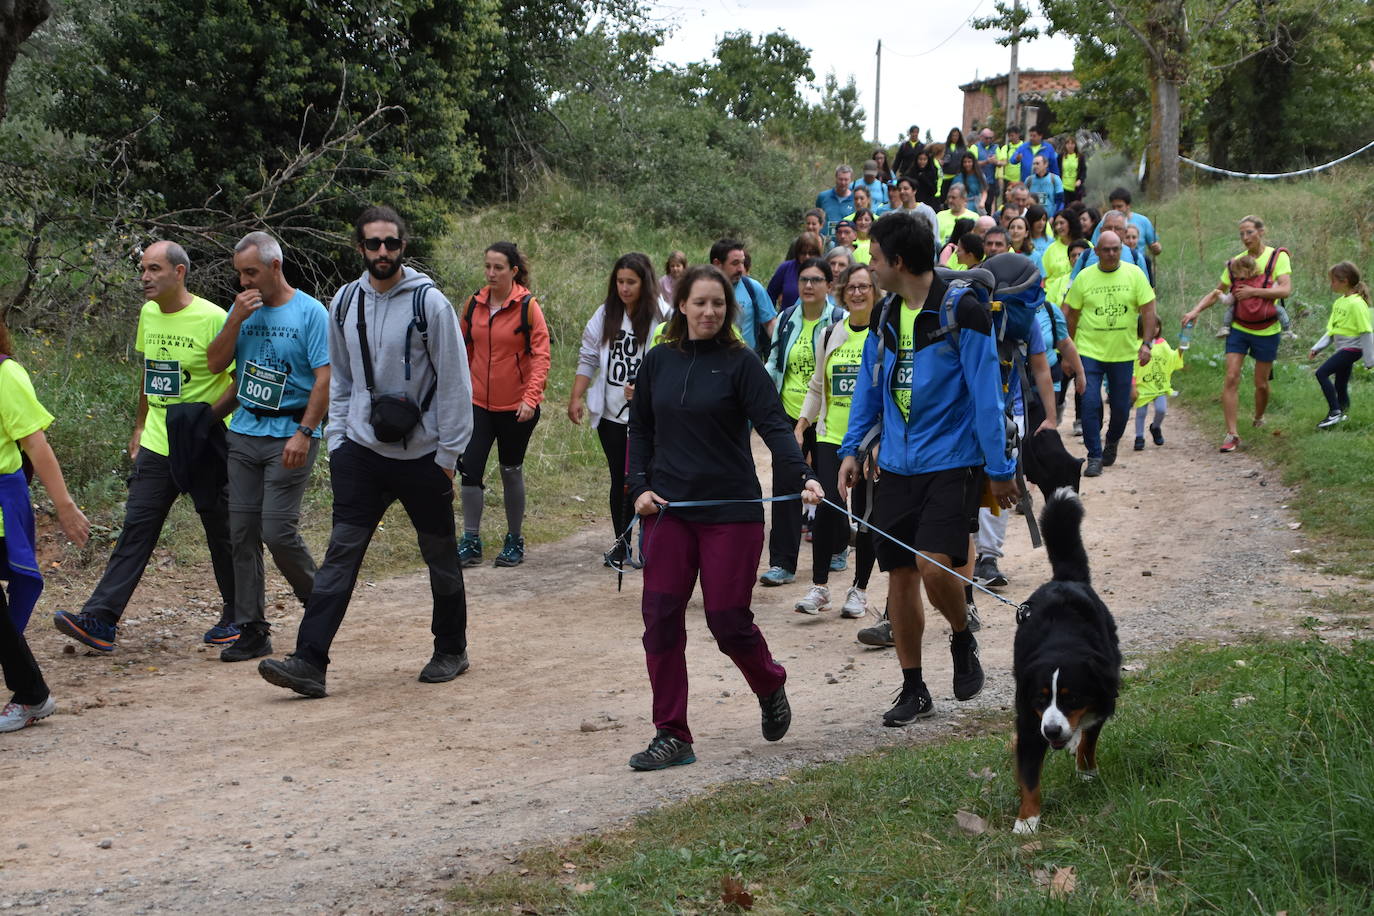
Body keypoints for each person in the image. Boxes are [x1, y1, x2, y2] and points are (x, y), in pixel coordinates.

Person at [257, 205, 473, 698]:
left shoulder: (431, 305)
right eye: (373, 243)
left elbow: (456, 384)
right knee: (341, 555)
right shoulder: (345, 302)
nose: (383, 252)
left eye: (391, 243)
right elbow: (341, 377)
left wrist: (448, 456)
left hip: (423, 457)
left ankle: (451, 648)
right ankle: (309, 661)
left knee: (438, 553)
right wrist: (338, 439)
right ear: (359, 247)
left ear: (403, 246)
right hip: (361, 452)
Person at [625, 264, 824, 770]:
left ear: (728, 310)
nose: (709, 312)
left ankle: (769, 681)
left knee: (726, 619)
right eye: (700, 303)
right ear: (682, 307)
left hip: (731, 513)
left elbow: (776, 427)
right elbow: (640, 432)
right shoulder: (659, 362)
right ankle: (672, 734)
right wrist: (640, 488)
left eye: (718, 304)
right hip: (669, 511)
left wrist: (802, 476)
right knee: (661, 620)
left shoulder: (742, 364)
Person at [838, 211, 1016, 726]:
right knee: (898, 576)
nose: (868, 269)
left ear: (897, 261)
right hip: (895, 465)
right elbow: (871, 389)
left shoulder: (964, 312)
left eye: (873, 259)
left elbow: (986, 395)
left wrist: (1000, 470)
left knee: (934, 566)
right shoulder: (886, 315)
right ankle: (914, 687)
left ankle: (962, 637)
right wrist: (852, 450)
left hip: (952, 463)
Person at [54, 242, 238, 653]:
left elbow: (235, 379)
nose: (145, 277)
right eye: (142, 269)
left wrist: (208, 423)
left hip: (205, 441)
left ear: (179, 273)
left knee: (221, 532)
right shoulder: (148, 313)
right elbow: (150, 371)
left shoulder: (212, 317)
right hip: (158, 440)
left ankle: (238, 616)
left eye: (154, 269)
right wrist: (139, 424)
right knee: (137, 527)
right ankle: (100, 619)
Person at [204, 232, 330, 663]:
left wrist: (306, 432)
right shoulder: (243, 311)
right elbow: (217, 365)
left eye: (251, 272)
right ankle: (252, 629)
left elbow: (325, 378)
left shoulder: (311, 313)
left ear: (275, 267)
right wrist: (234, 320)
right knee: (241, 533)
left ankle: (321, 604)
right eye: (240, 273)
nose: (244, 282)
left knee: (277, 530)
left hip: (290, 435)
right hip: (244, 433)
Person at [0, 319, 91, 733]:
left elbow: (36, 444)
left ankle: (32, 694)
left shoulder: (5, 373)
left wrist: (65, 507)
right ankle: (32, 692)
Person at [570, 253, 672, 567]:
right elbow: (588, 357)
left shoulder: (662, 316)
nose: (624, 288)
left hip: (649, 417)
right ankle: (621, 544)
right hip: (612, 414)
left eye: (631, 282)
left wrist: (646, 390)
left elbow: (673, 361)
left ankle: (650, 544)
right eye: (619, 282)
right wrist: (576, 396)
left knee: (647, 478)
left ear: (645, 283)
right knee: (621, 480)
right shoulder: (605, 315)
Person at [795, 263, 882, 620]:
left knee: (864, 516)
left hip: (868, 440)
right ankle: (820, 588)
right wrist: (802, 425)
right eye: (852, 288)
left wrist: (879, 441)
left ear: (876, 293)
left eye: (865, 287)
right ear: (842, 292)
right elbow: (817, 385)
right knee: (826, 509)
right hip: (831, 435)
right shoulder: (831, 333)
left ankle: (859, 590)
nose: (858, 293)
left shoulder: (882, 335)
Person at [457, 242, 551, 568]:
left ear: (513, 271)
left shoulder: (528, 307)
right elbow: (462, 349)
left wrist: (530, 398)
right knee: (469, 469)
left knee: (510, 471)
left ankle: (514, 539)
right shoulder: (474, 304)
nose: (491, 273)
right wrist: (459, 392)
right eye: (487, 266)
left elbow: (541, 356)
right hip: (477, 404)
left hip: (516, 407)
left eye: (498, 267)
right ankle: (470, 540)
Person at [759, 259, 847, 587]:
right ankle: (782, 563)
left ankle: (837, 545)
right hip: (787, 414)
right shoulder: (785, 320)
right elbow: (774, 363)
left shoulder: (840, 320)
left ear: (828, 285)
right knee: (785, 487)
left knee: (826, 484)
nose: (808, 286)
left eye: (816, 280)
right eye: (804, 280)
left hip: (825, 415)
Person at [1180, 216, 1292, 452]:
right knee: (1231, 376)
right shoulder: (1236, 264)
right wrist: (1195, 311)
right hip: (1239, 328)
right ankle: (1231, 434)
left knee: (1261, 383)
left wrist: (1253, 291)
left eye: (1249, 232)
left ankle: (1259, 416)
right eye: (1241, 234)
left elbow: (1285, 289)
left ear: (1262, 232)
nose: (1244, 238)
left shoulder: (1276, 257)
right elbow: (1217, 292)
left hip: (1267, 329)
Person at [1065, 230, 1159, 477]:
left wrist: (1146, 343)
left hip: (1123, 352)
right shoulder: (1084, 278)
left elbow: (1149, 311)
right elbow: (1071, 316)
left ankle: (1112, 440)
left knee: (1120, 407)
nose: (1111, 254)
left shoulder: (1135, 274)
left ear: (1121, 250)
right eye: (1106, 249)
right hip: (1089, 351)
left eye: (1116, 249)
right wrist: (1068, 352)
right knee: (1089, 402)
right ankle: (1094, 455)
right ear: (1096, 251)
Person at [1308, 261, 1374, 429]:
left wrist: (1370, 360)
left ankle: (1334, 412)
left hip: (1352, 349)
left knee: (1321, 373)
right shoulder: (1339, 302)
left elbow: (1366, 332)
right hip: (1343, 349)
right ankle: (1343, 415)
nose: (1331, 284)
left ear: (1344, 281)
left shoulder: (1357, 303)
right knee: (1340, 384)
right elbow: (1332, 330)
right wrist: (1317, 347)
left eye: (1333, 281)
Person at [709, 238, 777, 355]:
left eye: (742, 262)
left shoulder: (752, 287)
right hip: (712, 359)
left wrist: (779, 349)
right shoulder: (702, 290)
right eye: (735, 263)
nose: (741, 269)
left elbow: (770, 323)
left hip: (748, 361)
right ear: (717, 264)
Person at [1132, 331, 1183, 449]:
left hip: (1159, 386)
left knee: (1161, 410)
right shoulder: (1136, 344)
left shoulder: (1163, 344)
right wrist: (1133, 384)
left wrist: (1182, 349)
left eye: (1156, 326)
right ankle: (1139, 437)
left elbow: (1172, 358)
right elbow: (1132, 366)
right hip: (1143, 386)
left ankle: (1155, 427)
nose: (1153, 329)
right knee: (1141, 413)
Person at [767, 232, 824, 315]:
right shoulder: (785, 268)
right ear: (797, 253)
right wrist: (771, 320)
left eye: (811, 253)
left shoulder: (824, 270)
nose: (807, 257)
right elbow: (770, 295)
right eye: (803, 253)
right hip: (787, 323)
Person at [1041, 210, 1086, 306]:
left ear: (1071, 223)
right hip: (1053, 297)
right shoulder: (1050, 249)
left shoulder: (1086, 245)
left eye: (1062, 223)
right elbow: (1043, 278)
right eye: (1056, 224)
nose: (1058, 227)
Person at [892, 175, 940, 245]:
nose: (902, 192)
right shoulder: (896, 214)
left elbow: (935, 236)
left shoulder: (927, 211)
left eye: (906, 189)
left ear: (914, 191)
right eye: (899, 189)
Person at [815, 165, 855, 241]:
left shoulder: (855, 200)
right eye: (840, 179)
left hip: (846, 243)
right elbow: (817, 217)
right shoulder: (823, 197)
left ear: (851, 180)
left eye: (846, 180)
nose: (843, 182)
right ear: (836, 178)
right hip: (825, 242)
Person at [975, 127, 1001, 214]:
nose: (989, 140)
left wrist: (996, 162)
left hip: (991, 181)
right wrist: (986, 162)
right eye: (987, 138)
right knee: (978, 204)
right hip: (978, 181)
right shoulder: (975, 147)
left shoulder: (996, 147)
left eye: (991, 138)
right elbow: (972, 163)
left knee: (988, 204)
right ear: (981, 137)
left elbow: (1002, 162)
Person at [939, 128, 969, 199]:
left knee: (956, 197)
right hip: (945, 176)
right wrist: (940, 161)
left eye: (956, 136)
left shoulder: (963, 148)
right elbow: (938, 158)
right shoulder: (945, 146)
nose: (955, 137)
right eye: (953, 135)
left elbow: (967, 158)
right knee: (944, 197)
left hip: (958, 176)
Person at [996, 126, 1023, 198]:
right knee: (1007, 200)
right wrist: (997, 162)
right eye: (1009, 136)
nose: (1010, 138)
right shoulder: (1006, 148)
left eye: (1012, 135)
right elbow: (1003, 161)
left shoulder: (1024, 147)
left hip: (1021, 180)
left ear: (1018, 134)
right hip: (1008, 180)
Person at [1059, 135, 1086, 204]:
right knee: (1066, 208)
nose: (1070, 146)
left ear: (1075, 145)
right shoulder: (1061, 156)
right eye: (1068, 143)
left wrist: (1080, 180)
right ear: (1065, 145)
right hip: (1064, 186)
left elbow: (1083, 170)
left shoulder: (1080, 157)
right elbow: (1057, 170)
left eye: (1072, 143)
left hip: (1075, 187)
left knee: (1075, 207)